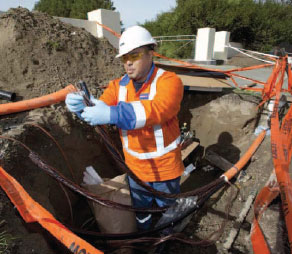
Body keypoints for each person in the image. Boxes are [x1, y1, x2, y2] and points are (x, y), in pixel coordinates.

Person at [65, 25, 184, 233]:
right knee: (142, 213)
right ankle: (144, 238)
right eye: (124, 58)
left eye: (134, 55)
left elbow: (155, 110)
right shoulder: (118, 86)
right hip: (136, 170)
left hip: (165, 169)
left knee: (168, 213)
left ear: (150, 53)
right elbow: (100, 110)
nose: (128, 63)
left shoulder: (169, 82)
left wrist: (112, 113)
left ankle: (166, 241)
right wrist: (83, 107)